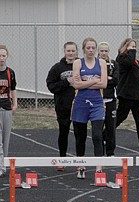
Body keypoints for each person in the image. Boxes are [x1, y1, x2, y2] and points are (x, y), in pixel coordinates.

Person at [71, 37, 107, 179]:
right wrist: (94, 80)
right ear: (84, 49)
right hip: (80, 103)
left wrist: (86, 81)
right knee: (80, 137)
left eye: (93, 48)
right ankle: (81, 165)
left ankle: (99, 168)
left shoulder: (102, 63)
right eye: (88, 48)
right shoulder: (77, 63)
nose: (91, 50)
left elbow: (103, 84)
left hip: (97, 103)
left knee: (97, 135)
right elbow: (76, 85)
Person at [116, 38, 139, 148]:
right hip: (126, 93)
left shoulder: (134, 60)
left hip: (137, 93)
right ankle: (105, 135)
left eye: (135, 47)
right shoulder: (122, 58)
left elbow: (133, 72)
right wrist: (131, 52)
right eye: (132, 47)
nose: (134, 49)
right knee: (121, 116)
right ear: (126, 47)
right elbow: (128, 64)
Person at [46, 42, 77, 171]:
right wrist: (66, 81)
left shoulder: (81, 65)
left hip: (79, 105)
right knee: (63, 132)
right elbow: (51, 86)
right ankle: (62, 159)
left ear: (76, 52)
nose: (70, 53)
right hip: (63, 106)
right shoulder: (57, 68)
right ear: (64, 52)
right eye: (68, 51)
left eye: (73, 51)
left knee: (79, 134)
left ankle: (79, 160)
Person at [98, 42, 119, 156]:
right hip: (98, 100)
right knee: (98, 128)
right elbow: (96, 80)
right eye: (101, 51)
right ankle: (99, 152)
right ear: (98, 52)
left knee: (111, 128)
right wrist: (106, 79)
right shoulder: (94, 64)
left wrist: (105, 80)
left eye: (106, 51)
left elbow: (115, 80)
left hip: (111, 100)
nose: (104, 53)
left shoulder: (114, 64)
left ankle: (110, 152)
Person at [0, 44, 17, 177]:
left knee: (6, 138)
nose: (1, 58)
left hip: (6, 107)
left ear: (7, 57)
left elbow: (13, 89)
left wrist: (15, 104)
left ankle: (3, 163)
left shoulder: (10, 72)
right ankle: (1, 166)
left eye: (3, 56)